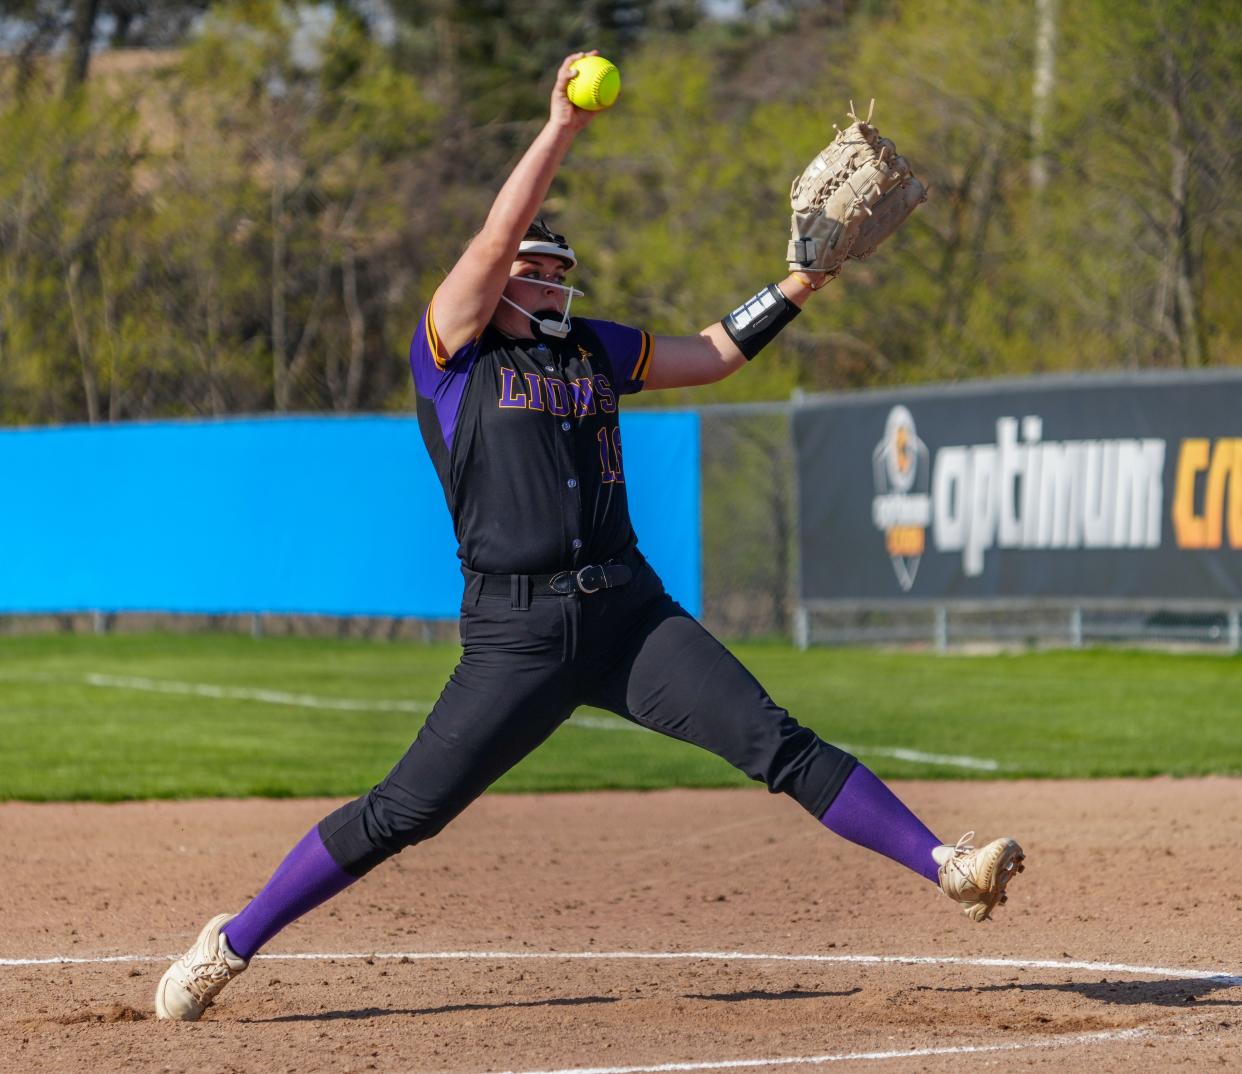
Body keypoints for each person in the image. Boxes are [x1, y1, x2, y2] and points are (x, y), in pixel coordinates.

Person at [155, 51, 1024, 1022]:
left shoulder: (591, 350)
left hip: (629, 615)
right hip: (515, 636)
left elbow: (714, 352)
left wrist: (800, 284)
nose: (555, 283)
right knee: (402, 814)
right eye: (538, 269)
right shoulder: (453, 353)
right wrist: (562, 124)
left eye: (561, 270)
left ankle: (948, 866)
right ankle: (229, 944)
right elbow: (492, 240)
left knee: (776, 742)